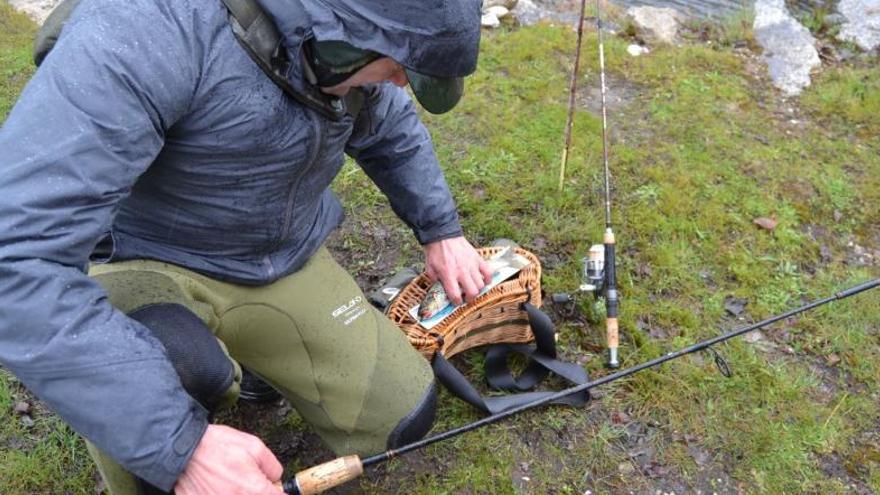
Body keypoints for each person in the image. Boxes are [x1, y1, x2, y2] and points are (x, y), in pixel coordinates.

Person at [0, 0, 492, 493]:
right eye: (400, 69)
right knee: (186, 371)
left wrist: (442, 230)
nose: (402, 83)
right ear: (341, 41)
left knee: (400, 415)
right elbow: (15, 257)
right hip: (146, 256)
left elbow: (391, 129)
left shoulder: (352, 51)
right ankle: (161, 419)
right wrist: (179, 446)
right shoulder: (148, 28)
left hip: (279, 258)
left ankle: (253, 356)